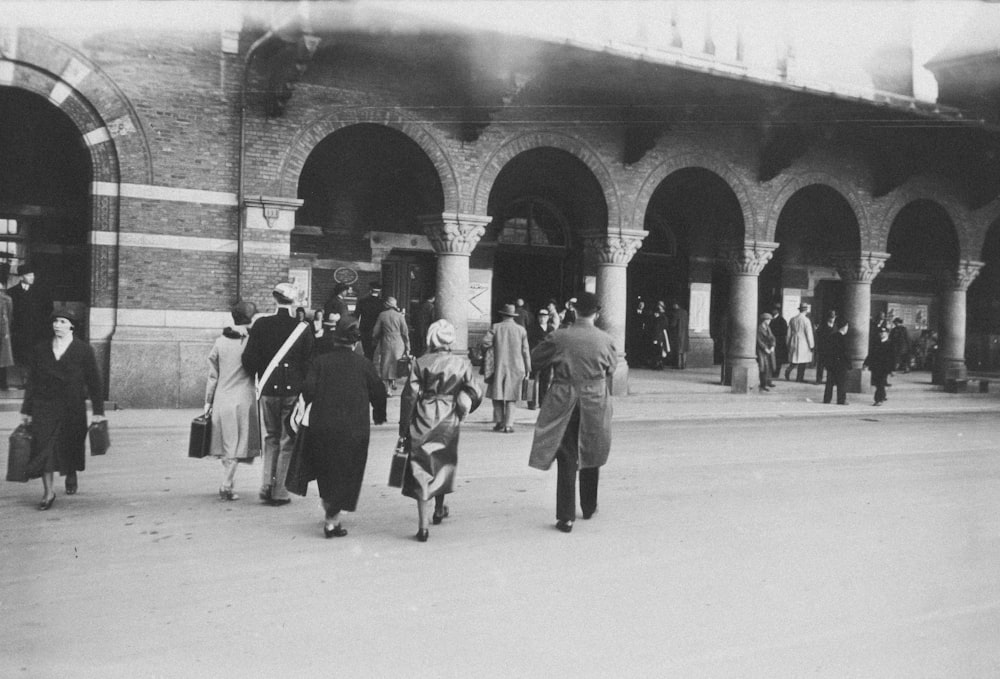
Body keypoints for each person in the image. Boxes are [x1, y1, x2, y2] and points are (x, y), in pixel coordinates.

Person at [528, 292, 616, 533]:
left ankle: (566, 516)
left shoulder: (559, 337)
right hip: (594, 400)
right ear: (596, 314)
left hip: (563, 399)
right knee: (590, 450)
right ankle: (589, 505)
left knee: (566, 456)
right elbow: (611, 369)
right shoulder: (606, 340)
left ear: (574, 311)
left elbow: (535, 361)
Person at [298, 317, 387, 538]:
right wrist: (379, 413)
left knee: (326, 469)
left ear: (335, 340)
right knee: (348, 470)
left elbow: (307, 390)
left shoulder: (321, 362)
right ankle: (331, 519)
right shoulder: (364, 364)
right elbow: (378, 391)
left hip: (323, 424)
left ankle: (331, 511)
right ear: (354, 343)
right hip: (354, 427)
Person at [398, 319, 483, 542]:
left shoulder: (420, 362)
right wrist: (466, 404)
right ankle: (439, 509)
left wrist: (403, 427)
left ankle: (423, 526)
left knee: (421, 468)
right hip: (449, 418)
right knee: (442, 463)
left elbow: (409, 396)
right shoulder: (461, 363)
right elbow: (475, 391)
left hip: (424, 414)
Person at [20, 307, 105, 509]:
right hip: (44, 405)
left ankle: (71, 472)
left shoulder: (83, 350)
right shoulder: (41, 349)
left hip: (71, 407)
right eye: (55, 321)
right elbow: (32, 381)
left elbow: (94, 382)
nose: (58, 325)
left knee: (70, 444)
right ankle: (48, 492)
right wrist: (26, 409)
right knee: (44, 448)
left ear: (72, 326)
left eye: (63, 322)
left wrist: (98, 412)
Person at [241, 281, 314, 506]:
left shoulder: (261, 324)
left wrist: (260, 373)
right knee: (287, 440)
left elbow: (248, 360)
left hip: (267, 389)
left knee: (271, 438)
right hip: (292, 391)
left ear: (275, 299)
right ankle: (280, 492)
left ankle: (266, 486)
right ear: (293, 302)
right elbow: (309, 362)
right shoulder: (303, 328)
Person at [204, 301, 259, 501]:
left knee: (227, 443)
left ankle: (228, 480)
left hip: (221, 397)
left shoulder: (220, 341)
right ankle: (226, 484)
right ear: (250, 318)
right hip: (244, 397)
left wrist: (208, 402)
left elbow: (212, 376)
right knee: (237, 444)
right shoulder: (251, 341)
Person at [480, 303, 531, 433]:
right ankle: (508, 425)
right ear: (513, 316)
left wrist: (491, 350)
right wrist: (528, 368)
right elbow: (525, 351)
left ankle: (499, 422)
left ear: (502, 315)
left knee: (497, 395)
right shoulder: (521, 330)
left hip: (498, 366)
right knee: (511, 397)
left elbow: (485, 342)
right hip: (517, 367)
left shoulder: (496, 327)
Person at [8, 267, 52, 389]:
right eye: (29, 275)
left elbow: (49, 308)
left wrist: (40, 322)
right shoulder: (12, 292)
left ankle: (36, 382)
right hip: (19, 331)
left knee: (36, 355)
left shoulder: (41, 291)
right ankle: (24, 381)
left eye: (33, 275)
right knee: (22, 357)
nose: (32, 278)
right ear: (21, 277)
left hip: (37, 331)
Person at [372, 296, 410, 392]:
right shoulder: (400, 316)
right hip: (399, 342)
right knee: (395, 363)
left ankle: (387, 388)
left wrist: (375, 338)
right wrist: (408, 346)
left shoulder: (382, 315)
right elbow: (405, 332)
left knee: (386, 363)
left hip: (386, 341)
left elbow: (375, 331)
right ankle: (393, 382)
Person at [864, 325, 894, 406]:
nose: (882, 334)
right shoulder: (876, 343)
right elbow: (871, 354)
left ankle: (878, 399)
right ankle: (883, 395)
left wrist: (891, 369)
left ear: (887, 334)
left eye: (884, 333)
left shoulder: (890, 344)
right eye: (880, 333)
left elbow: (892, 358)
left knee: (880, 383)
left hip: (884, 367)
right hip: (875, 366)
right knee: (877, 383)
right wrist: (866, 363)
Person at [823, 318, 850, 405]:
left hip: (831, 363)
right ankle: (841, 400)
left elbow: (827, 350)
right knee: (841, 382)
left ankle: (827, 399)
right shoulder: (844, 339)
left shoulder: (831, 336)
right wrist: (849, 364)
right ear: (844, 327)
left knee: (829, 382)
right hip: (841, 364)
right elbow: (845, 353)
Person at [784, 303, 814, 382]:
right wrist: (811, 345)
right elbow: (809, 334)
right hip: (803, 342)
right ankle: (799, 378)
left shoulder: (792, 319)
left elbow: (788, 333)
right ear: (806, 310)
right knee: (802, 361)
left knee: (794, 359)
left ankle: (788, 371)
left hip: (794, 340)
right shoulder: (806, 320)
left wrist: (788, 343)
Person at [354, 282, 383, 361]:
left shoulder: (362, 301)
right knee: (373, 351)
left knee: (366, 350)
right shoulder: (381, 303)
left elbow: (356, 316)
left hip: (364, 329)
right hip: (376, 330)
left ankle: (367, 363)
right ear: (379, 291)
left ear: (370, 290)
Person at [814, 309, 838, 385]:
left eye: (833, 317)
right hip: (823, 348)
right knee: (820, 365)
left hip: (832, 349)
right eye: (831, 317)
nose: (832, 319)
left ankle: (830, 380)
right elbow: (818, 337)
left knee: (831, 365)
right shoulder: (822, 326)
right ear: (828, 318)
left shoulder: (836, 326)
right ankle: (819, 380)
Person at [756, 312, 776, 392]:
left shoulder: (768, 327)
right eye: (768, 320)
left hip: (769, 348)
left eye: (769, 320)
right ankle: (763, 384)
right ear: (764, 320)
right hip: (762, 350)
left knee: (770, 366)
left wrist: (773, 346)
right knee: (763, 367)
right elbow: (759, 341)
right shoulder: (759, 328)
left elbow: (772, 337)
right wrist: (765, 348)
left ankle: (769, 381)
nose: (769, 321)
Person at [667, 302, 689, 369]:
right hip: (685, 334)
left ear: (676, 305)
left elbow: (673, 324)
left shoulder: (676, 313)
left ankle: (678, 365)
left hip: (678, 333)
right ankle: (684, 365)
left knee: (678, 350)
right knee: (684, 350)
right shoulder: (685, 312)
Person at [768, 305, 788, 379]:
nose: (773, 311)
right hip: (771, 341)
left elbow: (784, 332)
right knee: (772, 358)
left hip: (779, 343)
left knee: (778, 359)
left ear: (777, 311)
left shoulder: (782, 320)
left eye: (775, 310)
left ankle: (776, 373)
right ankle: (772, 372)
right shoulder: (770, 319)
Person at [0, 285, 14, 390]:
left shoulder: (6, 300)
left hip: (2, 331)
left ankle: (2, 383)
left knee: (2, 359)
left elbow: (9, 317)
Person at [650, 301, 670, 370]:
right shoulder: (663, 318)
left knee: (658, 351)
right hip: (661, 336)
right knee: (660, 350)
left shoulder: (659, 320)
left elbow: (657, 329)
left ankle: (658, 364)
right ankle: (659, 364)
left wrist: (655, 338)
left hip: (659, 336)